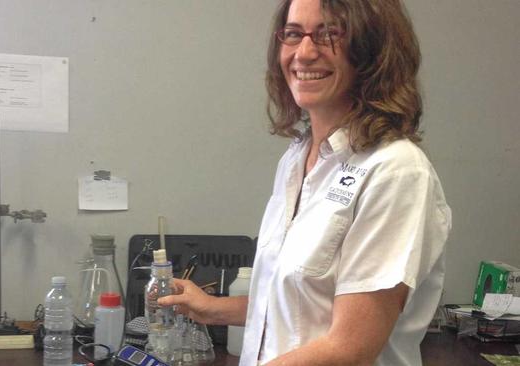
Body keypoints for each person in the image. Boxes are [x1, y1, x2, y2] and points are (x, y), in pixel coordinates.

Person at [159, 0, 451, 365]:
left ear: (373, 50)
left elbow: (351, 348)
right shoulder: (297, 158)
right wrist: (212, 309)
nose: (305, 52)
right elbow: (298, 305)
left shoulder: (395, 171)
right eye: (294, 34)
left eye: (330, 33)